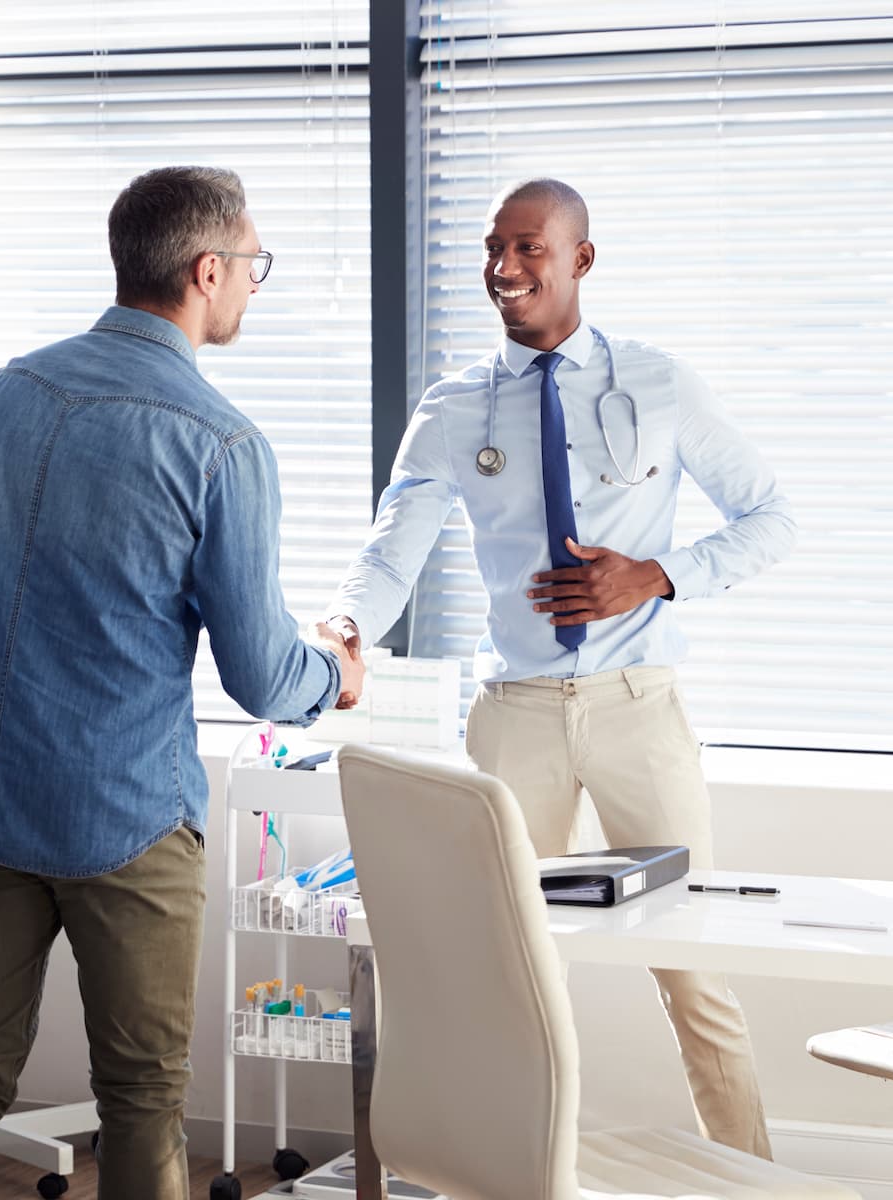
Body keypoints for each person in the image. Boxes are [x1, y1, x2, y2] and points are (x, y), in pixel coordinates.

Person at [0, 165, 363, 1199]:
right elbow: (263, 678)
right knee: (142, 1094)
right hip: (127, 820)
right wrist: (336, 671)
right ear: (206, 269)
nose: (253, 286)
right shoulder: (221, 442)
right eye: (253, 266)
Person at [323, 177, 794, 1158]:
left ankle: (753, 1179)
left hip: (639, 707)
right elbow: (392, 547)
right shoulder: (456, 405)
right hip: (517, 716)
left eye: (529, 247)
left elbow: (770, 518)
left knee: (695, 973)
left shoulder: (656, 382)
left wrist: (657, 575)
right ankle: (529, 1174)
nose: (504, 267)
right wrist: (346, 623)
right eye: (495, 248)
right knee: (512, 977)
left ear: (581, 258)